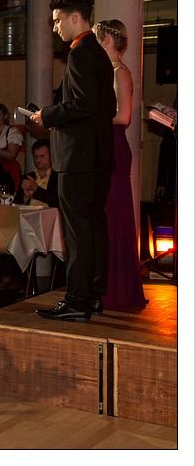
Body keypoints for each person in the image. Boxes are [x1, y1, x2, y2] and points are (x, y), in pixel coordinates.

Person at [30, 0, 116, 322]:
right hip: (97, 157)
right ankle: (92, 295)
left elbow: (83, 104)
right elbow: (104, 107)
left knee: (77, 233)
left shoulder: (80, 53)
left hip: (77, 159)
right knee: (93, 227)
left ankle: (77, 300)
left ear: (75, 18)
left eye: (57, 21)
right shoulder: (100, 54)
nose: (55, 28)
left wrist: (47, 115)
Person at [94, 18, 147, 311]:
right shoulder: (106, 72)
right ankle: (108, 286)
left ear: (106, 40)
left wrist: (92, 117)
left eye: (96, 38)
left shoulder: (120, 73)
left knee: (115, 216)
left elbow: (124, 117)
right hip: (105, 144)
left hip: (114, 146)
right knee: (106, 217)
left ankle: (119, 289)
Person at [18, 139, 58, 207]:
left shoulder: (57, 177)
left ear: (51, 156)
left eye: (42, 156)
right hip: (28, 213)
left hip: (49, 213)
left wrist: (35, 188)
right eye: (36, 156)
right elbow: (15, 204)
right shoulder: (27, 177)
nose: (38, 160)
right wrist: (26, 198)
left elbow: (57, 201)